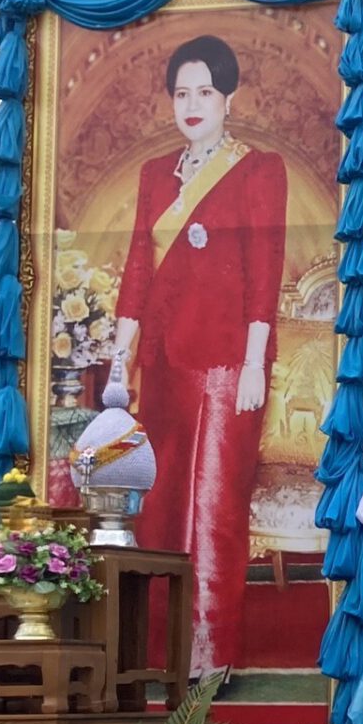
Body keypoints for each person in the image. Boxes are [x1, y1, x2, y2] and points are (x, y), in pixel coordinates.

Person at [109, 34, 287, 677]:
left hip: (225, 364)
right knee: (158, 505)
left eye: (204, 92)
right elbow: (137, 264)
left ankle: (210, 657)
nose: (191, 104)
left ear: (228, 98)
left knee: (213, 507)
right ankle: (157, 653)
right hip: (160, 362)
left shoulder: (259, 169)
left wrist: (254, 362)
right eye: (181, 93)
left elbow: (265, 270)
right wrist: (120, 357)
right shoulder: (155, 174)